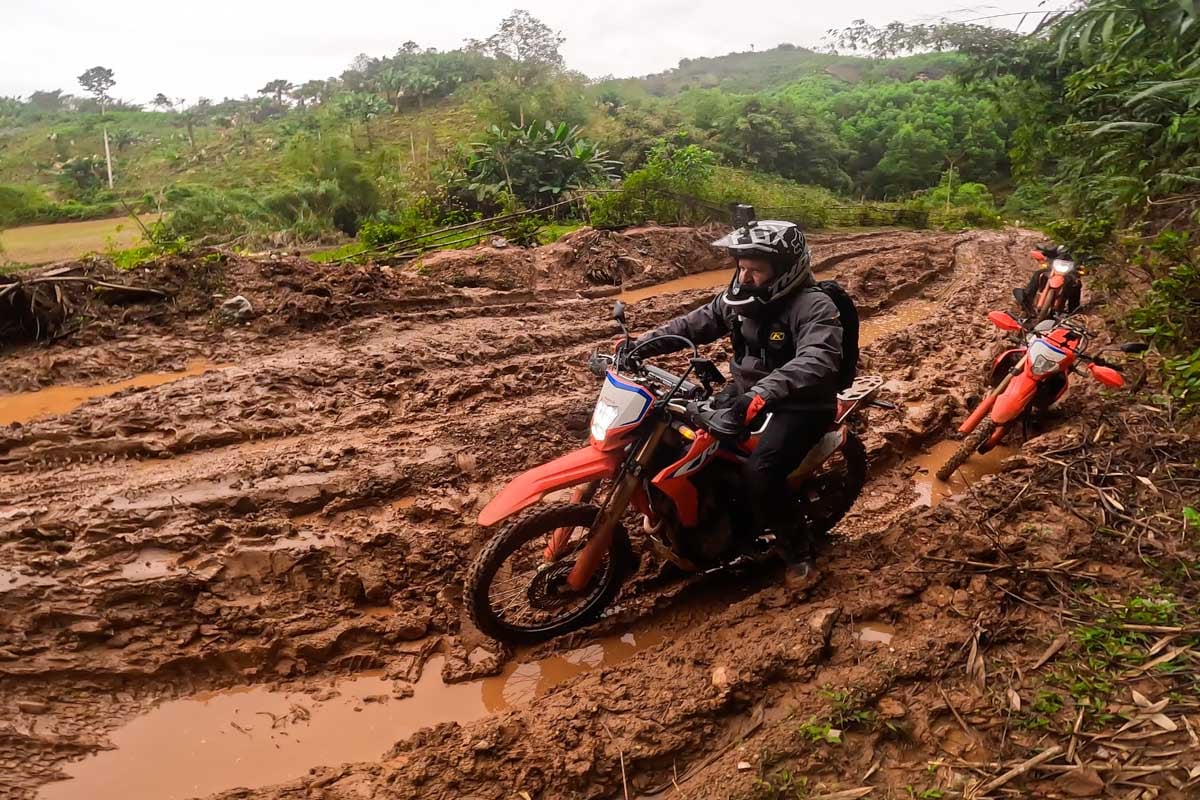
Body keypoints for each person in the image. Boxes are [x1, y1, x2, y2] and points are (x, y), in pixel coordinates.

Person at [630, 220, 843, 580]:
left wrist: (760, 394)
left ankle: (797, 551)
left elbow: (818, 357)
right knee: (680, 441)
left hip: (801, 405)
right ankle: (702, 521)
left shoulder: (814, 306)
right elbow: (694, 323)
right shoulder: (741, 300)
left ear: (786, 270)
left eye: (755, 269)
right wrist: (640, 345)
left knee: (759, 473)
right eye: (741, 267)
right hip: (747, 395)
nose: (744, 277)